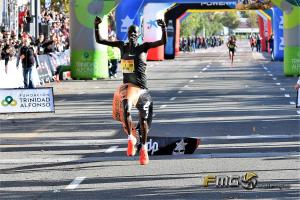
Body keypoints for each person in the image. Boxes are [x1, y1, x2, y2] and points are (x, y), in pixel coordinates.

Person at [94, 16, 166, 165]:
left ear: (139, 36)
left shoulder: (143, 47)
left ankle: (144, 148)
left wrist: (163, 28)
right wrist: (96, 26)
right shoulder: (122, 46)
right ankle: (131, 139)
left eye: (135, 34)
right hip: (128, 88)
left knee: (144, 121)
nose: (132, 36)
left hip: (141, 90)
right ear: (127, 35)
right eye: (130, 33)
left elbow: (162, 42)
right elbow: (101, 41)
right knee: (125, 107)